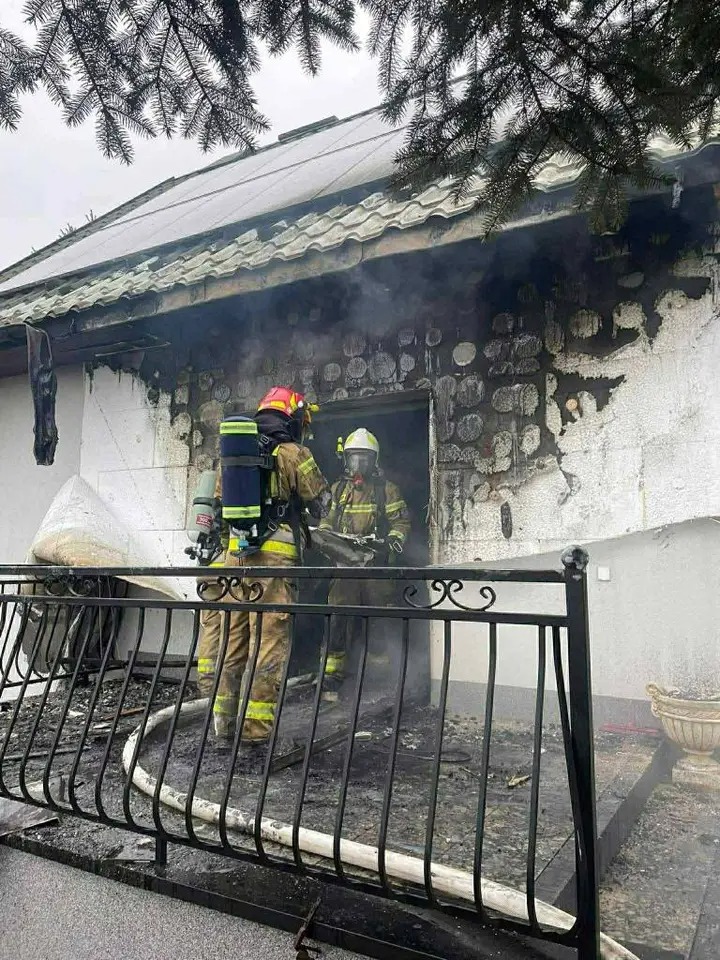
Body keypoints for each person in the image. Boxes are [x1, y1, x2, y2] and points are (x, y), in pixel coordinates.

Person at [212, 387, 330, 745]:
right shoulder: (294, 452)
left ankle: (224, 724)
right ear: (291, 418)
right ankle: (255, 731)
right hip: (274, 561)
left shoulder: (235, 455)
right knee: (268, 643)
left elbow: (219, 508)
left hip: (235, 559)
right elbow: (320, 500)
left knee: (233, 642)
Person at [319, 428, 410, 701]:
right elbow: (326, 522)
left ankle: (381, 681)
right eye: (354, 459)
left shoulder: (386, 490)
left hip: (376, 566)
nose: (358, 466)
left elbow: (401, 522)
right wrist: (327, 541)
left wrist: (393, 540)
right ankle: (332, 680)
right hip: (345, 565)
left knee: (380, 620)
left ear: (375, 461)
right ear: (345, 460)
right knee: (338, 619)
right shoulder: (337, 490)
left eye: (364, 460)